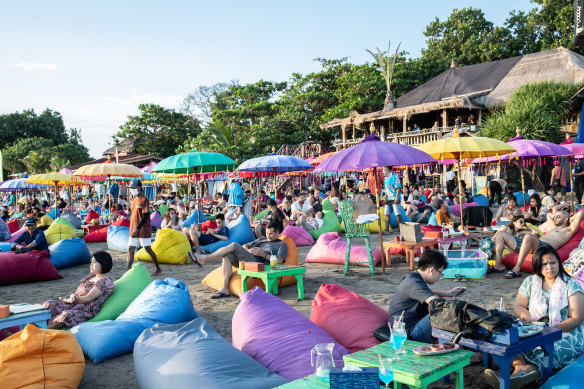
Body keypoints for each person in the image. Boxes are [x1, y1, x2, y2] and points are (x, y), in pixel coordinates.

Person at [485, 246, 584, 388]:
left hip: (566, 333)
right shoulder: (531, 281)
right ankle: (520, 369)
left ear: (559, 263)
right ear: (538, 265)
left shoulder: (570, 283)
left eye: (553, 262)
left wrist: (549, 331)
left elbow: (577, 319)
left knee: (548, 349)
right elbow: (519, 306)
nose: (549, 267)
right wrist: (527, 317)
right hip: (534, 329)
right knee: (511, 342)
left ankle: (516, 376)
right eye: (544, 264)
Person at [388, 250, 465, 343]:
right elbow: (437, 303)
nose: (440, 276)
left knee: (447, 310)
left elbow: (429, 293)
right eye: (440, 273)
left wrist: (449, 293)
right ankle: (448, 351)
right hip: (407, 333)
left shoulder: (413, 277)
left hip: (409, 326)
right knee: (445, 312)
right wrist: (454, 300)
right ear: (432, 270)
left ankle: (453, 346)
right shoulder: (414, 283)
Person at [193, 222, 287, 298]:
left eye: (271, 234)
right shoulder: (262, 239)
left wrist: (262, 254)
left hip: (259, 263)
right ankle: (225, 288)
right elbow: (245, 245)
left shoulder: (281, 244)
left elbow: (279, 260)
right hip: (248, 258)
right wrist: (248, 250)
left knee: (234, 245)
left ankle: (205, 258)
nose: (268, 236)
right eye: (267, 233)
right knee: (228, 255)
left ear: (277, 233)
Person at [497, 204, 584, 278]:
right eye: (555, 216)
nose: (555, 218)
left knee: (528, 236)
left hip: (545, 247)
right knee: (501, 234)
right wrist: (564, 206)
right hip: (532, 244)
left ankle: (517, 269)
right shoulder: (553, 227)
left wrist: (570, 218)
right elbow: (549, 215)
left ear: (566, 220)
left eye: (558, 217)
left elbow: (581, 213)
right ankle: (498, 265)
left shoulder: (569, 230)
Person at [43, 251, 115, 330]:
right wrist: (72, 296)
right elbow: (77, 293)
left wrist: (69, 300)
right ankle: (36, 324)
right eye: (91, 262)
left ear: (103, 263)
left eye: (94, 262)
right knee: (50, 304)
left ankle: (44, 332)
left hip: (85, 309)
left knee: (67, 315)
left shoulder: (105, 281)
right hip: (74, 303)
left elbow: (87, 298)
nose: (91, 265)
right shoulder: (90, 277)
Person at [126, 179, 161, 276]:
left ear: (139, 188)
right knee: (130, 249)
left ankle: (158, 268)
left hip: (142, 229)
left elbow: (145, 216)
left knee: (147, 249)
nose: (131, 190)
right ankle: (127, 271)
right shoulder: (133, 199)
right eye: (131, 188)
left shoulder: (144, 199)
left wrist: (137, 228)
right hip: (133, 228)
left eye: (133, 188)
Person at [383, 167, 403, 235]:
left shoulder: (395, 176)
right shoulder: (386, 177)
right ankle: (387, 229)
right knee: (386, 213)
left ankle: (400, 229)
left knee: (397, 214)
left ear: (386, 168)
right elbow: (386, 188)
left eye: (384, 167)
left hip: (394, 198)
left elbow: (398, 187)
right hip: (388, 198)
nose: (383, 169)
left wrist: (397, 198)